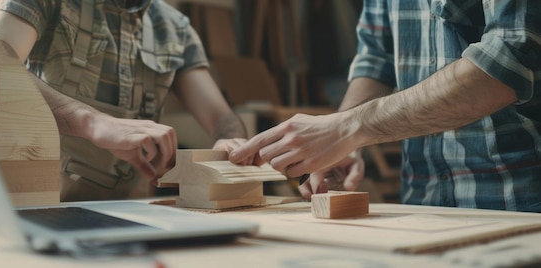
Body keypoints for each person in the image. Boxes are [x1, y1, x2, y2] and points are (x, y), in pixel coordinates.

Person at [229, 0, 541, 212]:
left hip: (520, 201)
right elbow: (376, 59)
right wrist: (347, 143)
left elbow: (505, 64)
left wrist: (347, 128)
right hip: (422, 204)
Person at [0, 0, 250, 201]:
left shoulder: (175, 29)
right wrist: (91, 121)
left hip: (132, 216)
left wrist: (231, 141)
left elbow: (222, 119)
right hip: (32, 208)